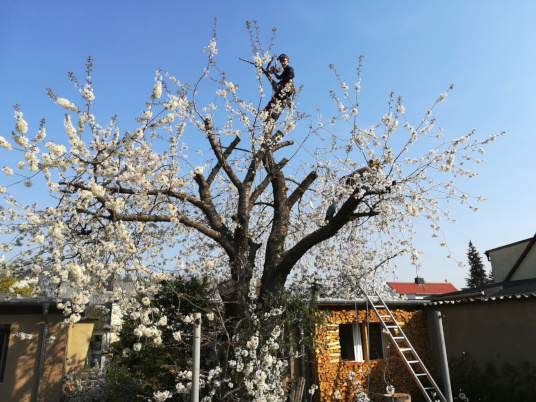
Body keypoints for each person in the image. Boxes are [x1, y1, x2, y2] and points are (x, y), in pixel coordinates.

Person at [263, 54, 296, 118]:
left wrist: (282, 81)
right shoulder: (284, 72)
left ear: (287, 61)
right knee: (276, 100)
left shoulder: (290, 68)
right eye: (281, 62)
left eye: (284, 61)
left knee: (275, 98)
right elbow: (279, 77)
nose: (283, 63)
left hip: (287, 87)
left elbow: (292, 75)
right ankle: (268, 114)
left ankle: (267, 112)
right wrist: (274, 72)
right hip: (283, 88)